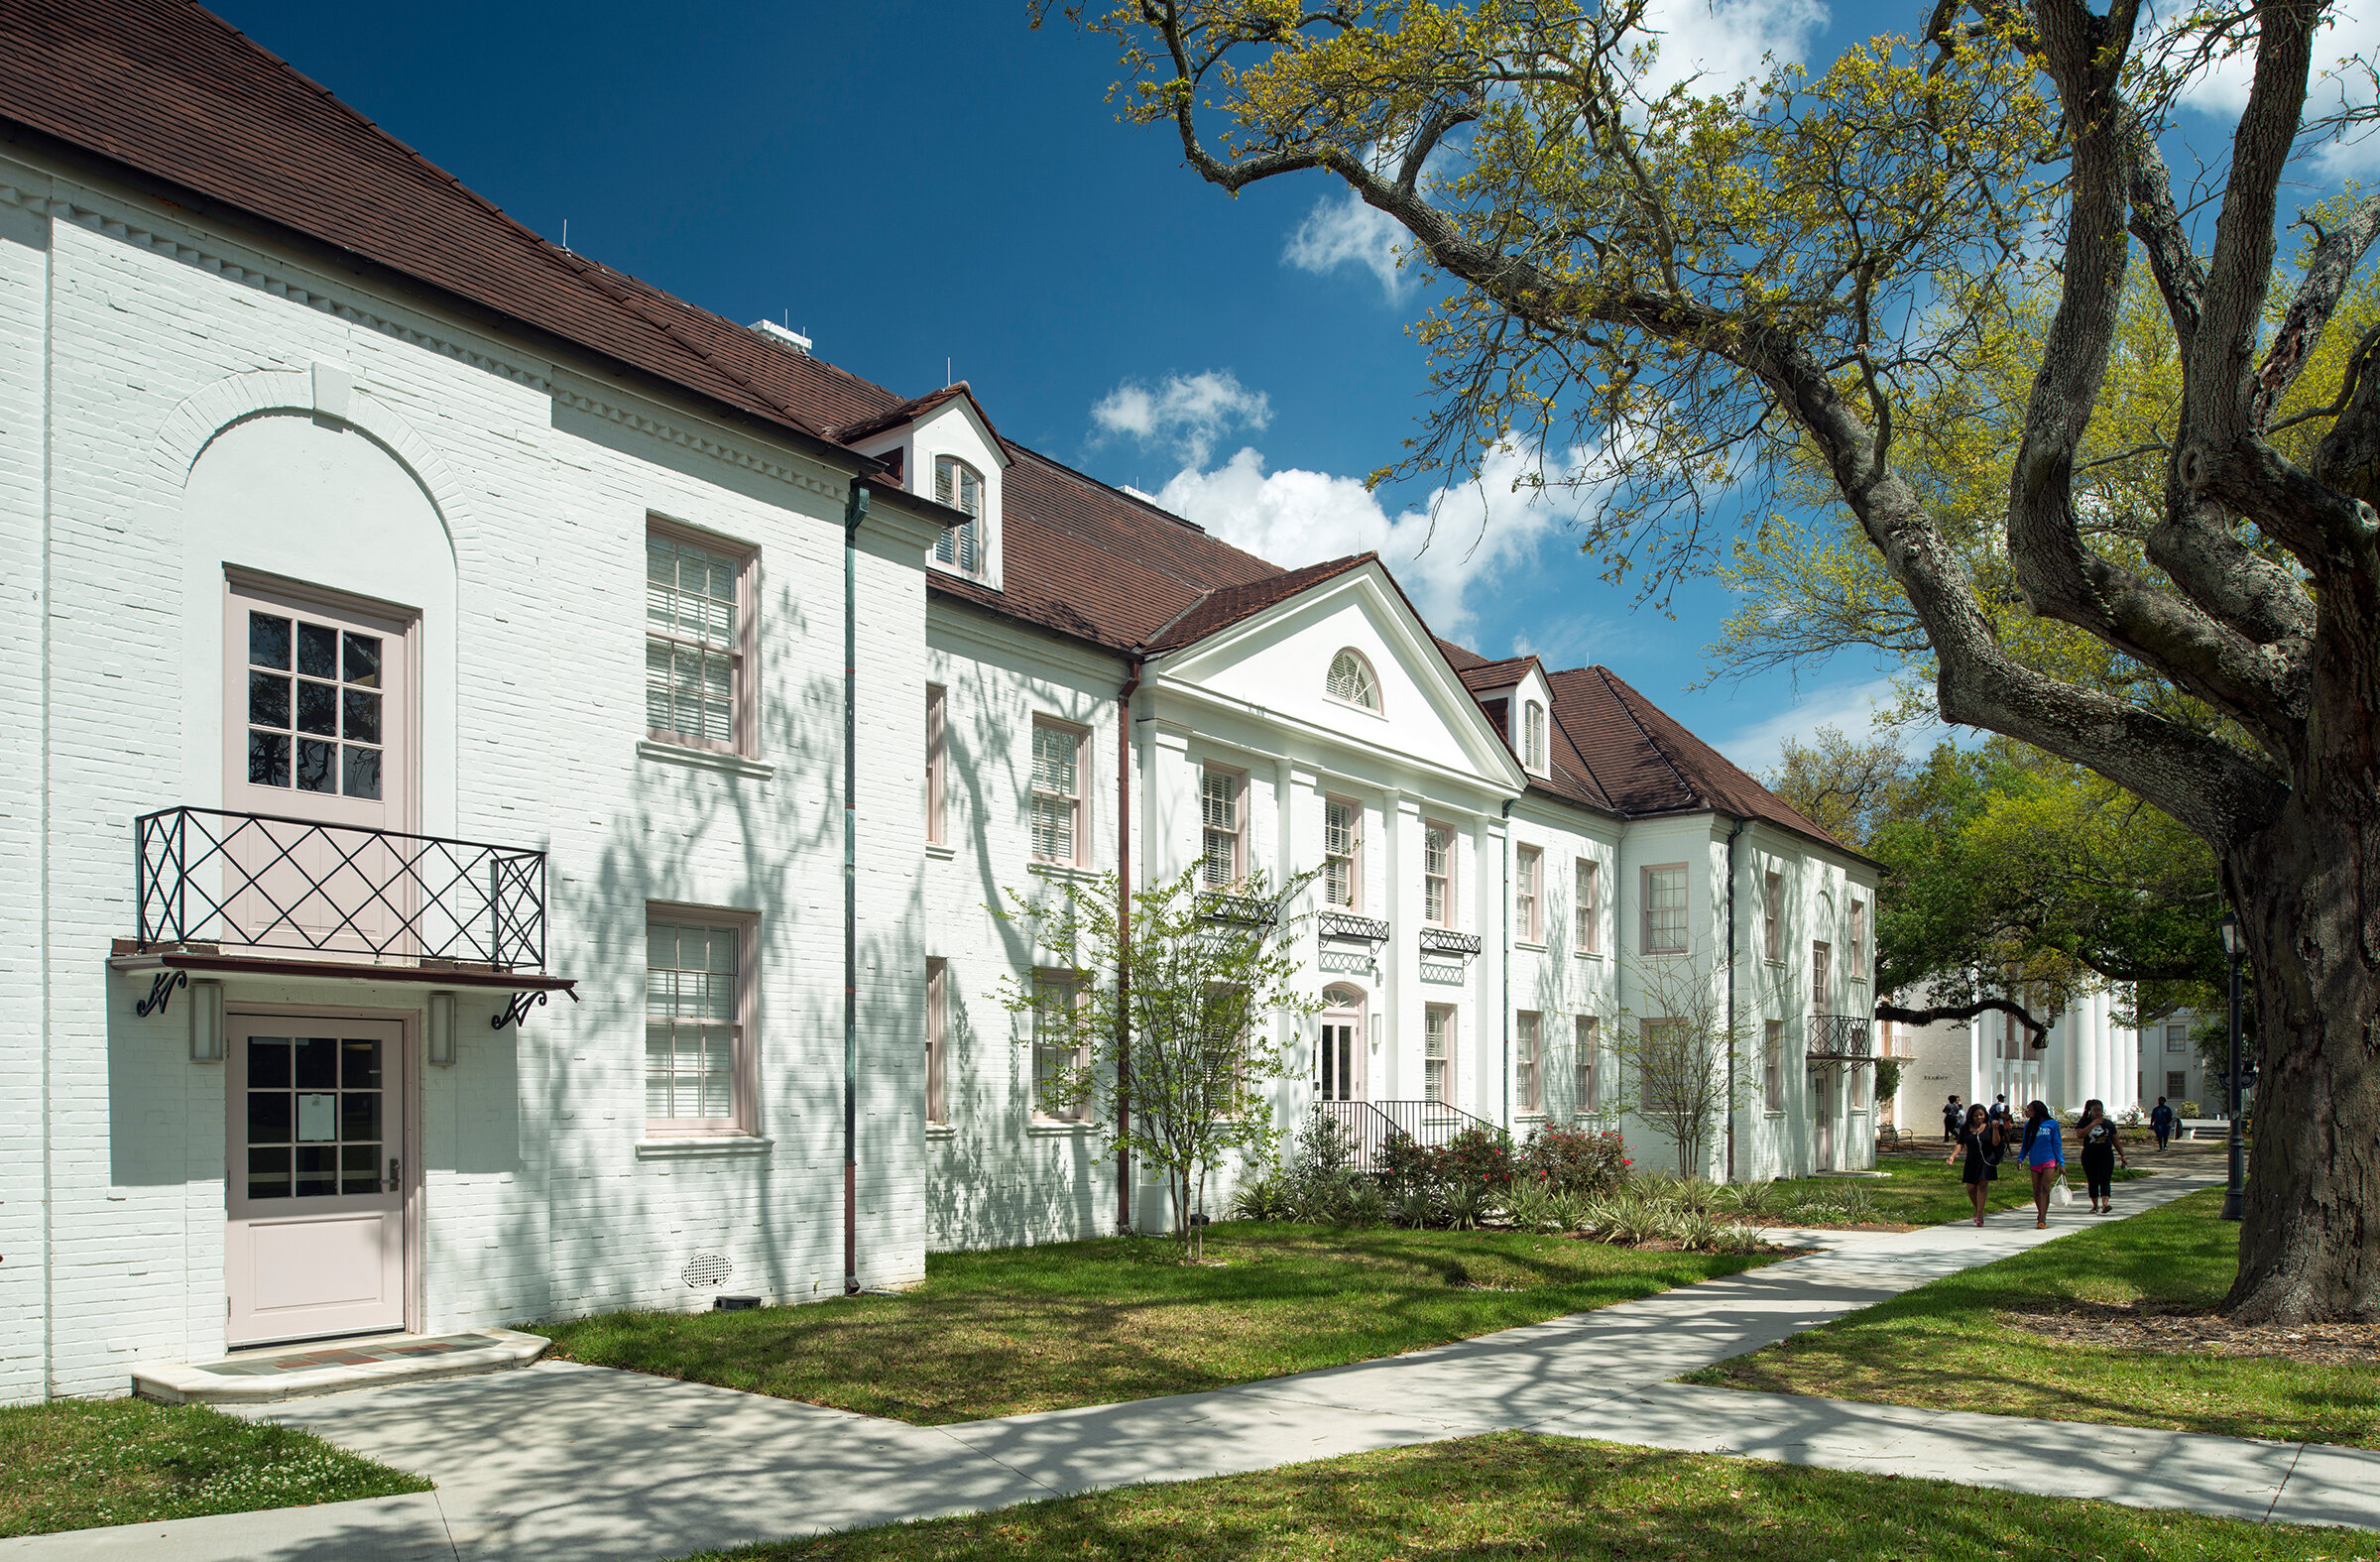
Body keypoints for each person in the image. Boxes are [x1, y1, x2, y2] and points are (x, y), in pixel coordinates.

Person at [1946, 1102, 2002, 1226]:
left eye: (1981, 1115)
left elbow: (1996, 1143)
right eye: (1976, 1116)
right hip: (1971, 1160)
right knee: (1971, 1188)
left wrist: (1996, 1129)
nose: (1979, 1118)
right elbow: (1960, 1144)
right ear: (1971, 1116)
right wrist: (1953, 1156)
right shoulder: (1966, 1128)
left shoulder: (1989, 1126)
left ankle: (1980, 1214)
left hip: (1986, 1160)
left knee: (1982, 1186)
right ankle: (1977, 1208)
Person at [2076, 1098, 2128, 1214]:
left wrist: (2123, 1155)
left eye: (2100, 1110)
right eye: (2095, 1110)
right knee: (2092, 1179)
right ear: (2090, 1111)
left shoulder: (2108, 1124)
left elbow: (2116, 1140)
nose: (2098, 1113)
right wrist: (2093, 1124)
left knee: (2105, 1179)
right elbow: (2079, 1135)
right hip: (2089, 1155)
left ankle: (2105, 1204)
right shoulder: (2084, 1122)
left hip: (2106, 1155)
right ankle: (2095, 1205)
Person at [2019, 1099, 2066, 1228]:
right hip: (2035, 1160)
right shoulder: (2029, 1125)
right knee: (2036, 1190)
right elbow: (2026, 1144)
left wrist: (2061, 1163)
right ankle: (2040, 1211)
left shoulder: (2052, 1124)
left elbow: (2057, 1144)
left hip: (2049, 1159)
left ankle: (2043, 1218)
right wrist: (2021, 1158)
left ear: (2037, 1111)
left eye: (2029, 1110)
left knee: (2045, 1188)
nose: (2027, 1112)